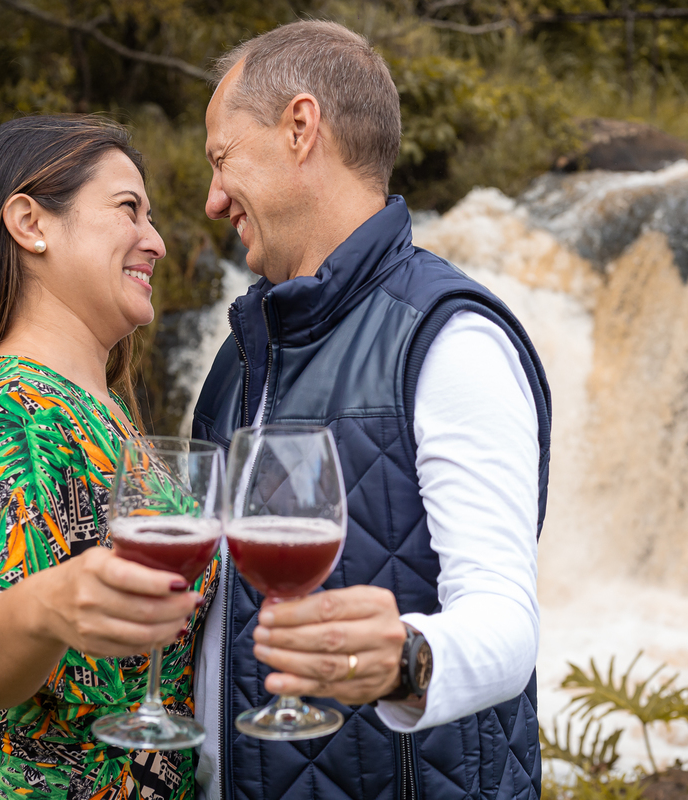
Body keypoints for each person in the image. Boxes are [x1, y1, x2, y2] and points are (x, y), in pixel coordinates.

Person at [191, 20, 550, 800]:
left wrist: (405, 661)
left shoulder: (451, 339)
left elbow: (506, 623)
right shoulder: (236, 360)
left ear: (300, 127)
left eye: (222, 159)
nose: (213, 200)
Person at [0, 115, 218, 799]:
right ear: (31, 224)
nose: (157, 241)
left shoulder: (93, 406)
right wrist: (46, 608)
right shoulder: (13, 405)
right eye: (128, 209)